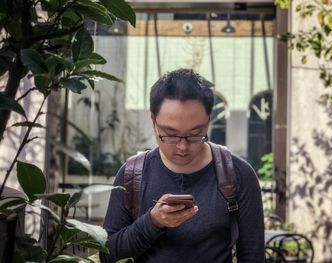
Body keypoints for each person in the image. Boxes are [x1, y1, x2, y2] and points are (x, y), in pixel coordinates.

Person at [100, 69, 264, 263]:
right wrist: (152, 222)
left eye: (195, 133)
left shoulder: (237, 174)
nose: (182, 146)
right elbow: (106, 253)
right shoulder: (132, 174)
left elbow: (253, 256)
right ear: (153, 120)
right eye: (170, 133)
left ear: (208, 121)